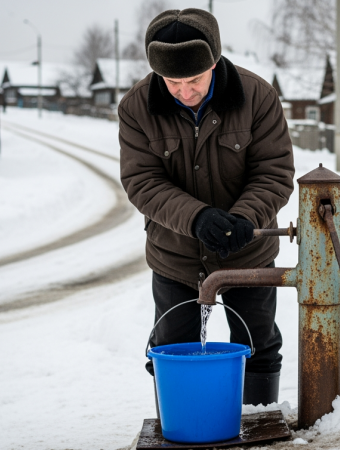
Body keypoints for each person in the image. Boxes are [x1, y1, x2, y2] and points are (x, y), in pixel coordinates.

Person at [118, 8, 294, 406]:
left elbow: (274, 171)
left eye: (194, 79)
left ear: (214, 61)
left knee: (257, 343)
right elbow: (142, 181)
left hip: (248, 250)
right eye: (172, 82)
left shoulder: (258, 96)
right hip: (175, 254)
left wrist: (243, 219)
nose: (184, 91)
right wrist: (197, 218)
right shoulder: (136, 107)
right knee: (172, 347)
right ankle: (185, 426)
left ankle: (256, 421)